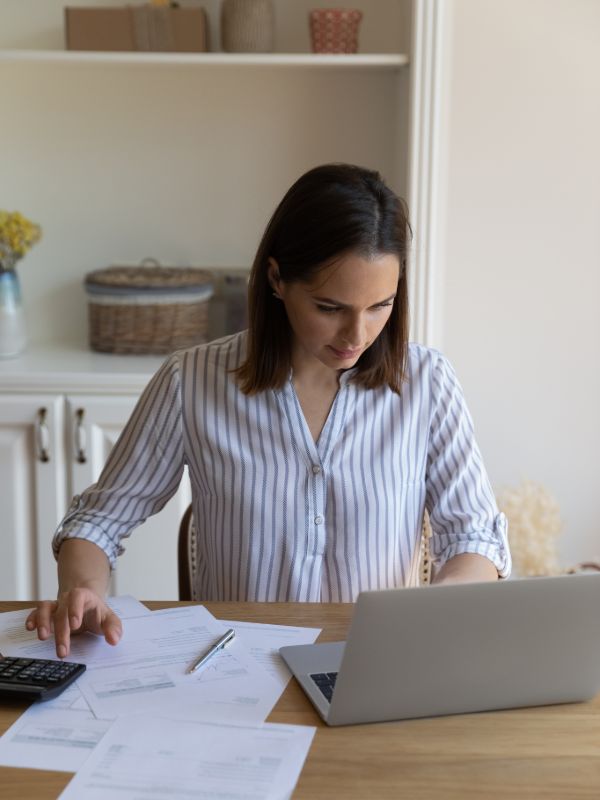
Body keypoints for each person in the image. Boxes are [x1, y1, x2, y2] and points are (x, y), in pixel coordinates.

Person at [26, 163, 511, 658]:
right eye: (329, 307)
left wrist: (448, 599)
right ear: (277, 278)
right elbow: (98, 521)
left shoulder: (427, 382)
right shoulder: (190, 380)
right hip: (234, 671)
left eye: (379, 306)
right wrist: (82, 590)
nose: (357, 336)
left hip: (380, 665)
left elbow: (473, 535)